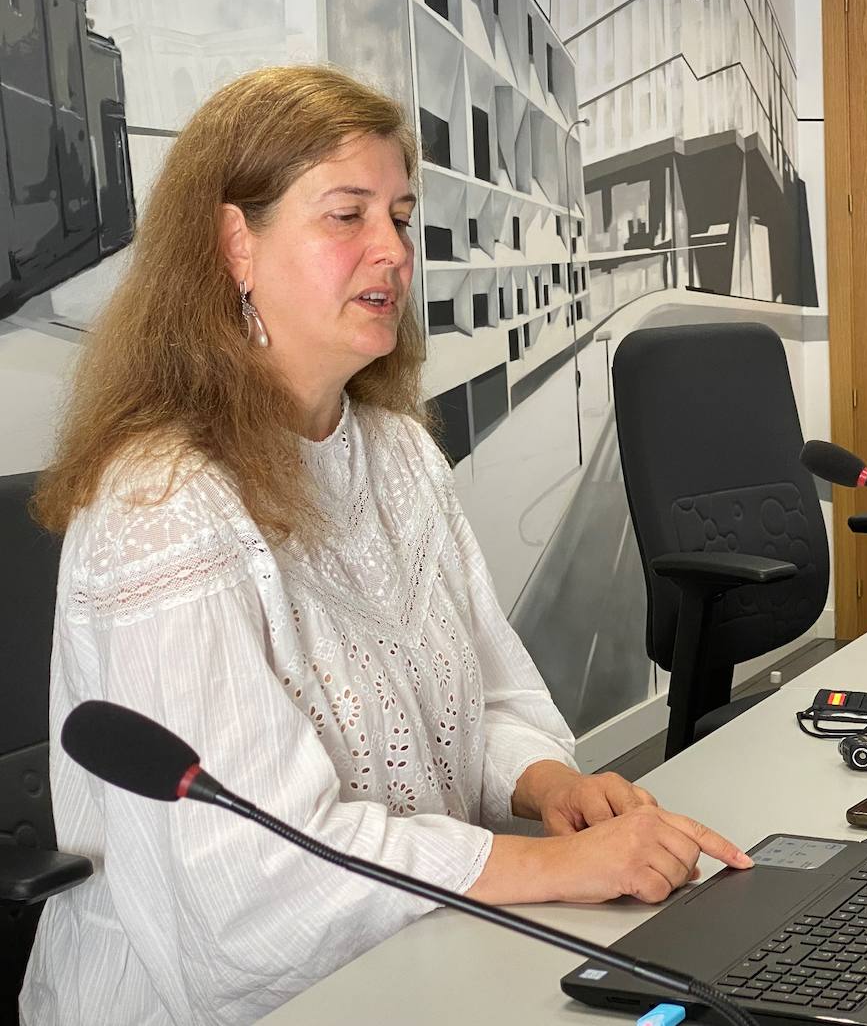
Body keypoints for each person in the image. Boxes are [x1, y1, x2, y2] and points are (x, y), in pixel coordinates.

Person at [20, 65, 751, 1026]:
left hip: (425, 956)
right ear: (235, 241)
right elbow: (244, 890)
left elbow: (481, 693)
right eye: (347, 215)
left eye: (401, 217)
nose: (394, 252)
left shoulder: (397, 452)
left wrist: (549, 786)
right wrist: (539, 863)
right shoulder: (163, 503)